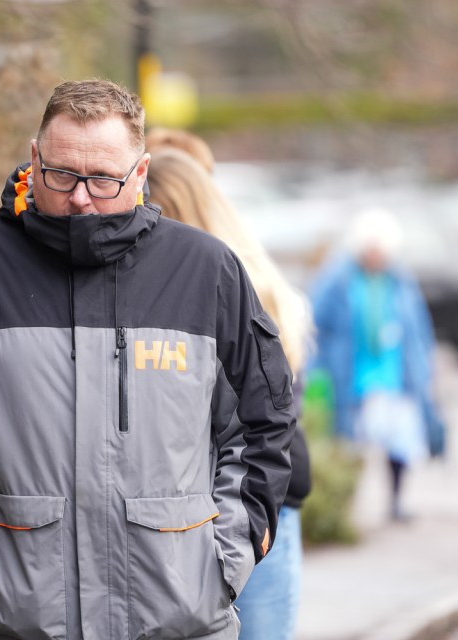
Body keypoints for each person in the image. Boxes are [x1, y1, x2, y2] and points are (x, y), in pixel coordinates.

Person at [0, 79, 297, 640]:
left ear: (141, 173)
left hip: (178, 620)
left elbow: (262, 423)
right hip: (12, 623)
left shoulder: (206, 272)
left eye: (103, 179)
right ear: (34, 158)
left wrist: (222, 560)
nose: (80, 197)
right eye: (62, 174)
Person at [146, 144, 314, 640]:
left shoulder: (234, 291)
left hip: (250, 512)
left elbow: (266, 428)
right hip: (245, 511)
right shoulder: (256, 284)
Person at [308, 208, 437, 522]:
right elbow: (315, 324)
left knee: (399, 444)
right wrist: (317, 367)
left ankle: (395, 502)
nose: (376, 256)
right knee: (350, 444)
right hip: (353, 377)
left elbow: (419, 327)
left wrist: (426, 367)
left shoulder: (401, 280)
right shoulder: (337, 279)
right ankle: (349, 507)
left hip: (395, 375)